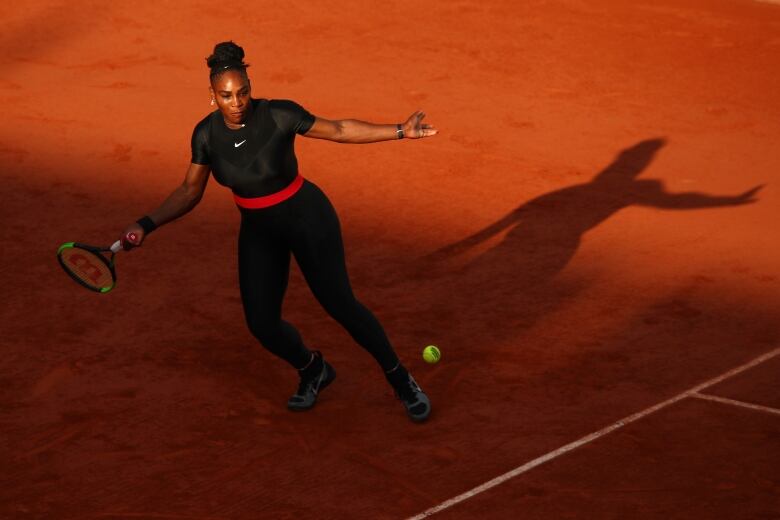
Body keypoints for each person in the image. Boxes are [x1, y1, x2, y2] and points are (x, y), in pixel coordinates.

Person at [120, 41, 437, 422]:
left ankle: (401, 379)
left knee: (340, 304)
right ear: (212, 97)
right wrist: (146, 224)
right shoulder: (205, 136)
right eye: (226, 95)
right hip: (259, 230)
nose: (237, 102)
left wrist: (401, 130)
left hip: (308, 219)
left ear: (251, 87)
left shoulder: (279, 115)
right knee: (261, 324)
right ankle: (312, 369)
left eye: (243, 92)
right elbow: (189, 191)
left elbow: (338, 130)